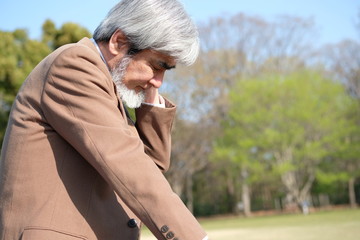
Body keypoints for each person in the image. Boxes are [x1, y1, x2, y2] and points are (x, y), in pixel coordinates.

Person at [0, 0, 208, 239]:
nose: (159, 81)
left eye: (166, 71)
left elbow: (149, 167)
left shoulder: (107, 87)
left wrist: (150, 102)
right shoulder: (74, 65)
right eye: (156, 65)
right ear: (118, 42)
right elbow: (127, 164)